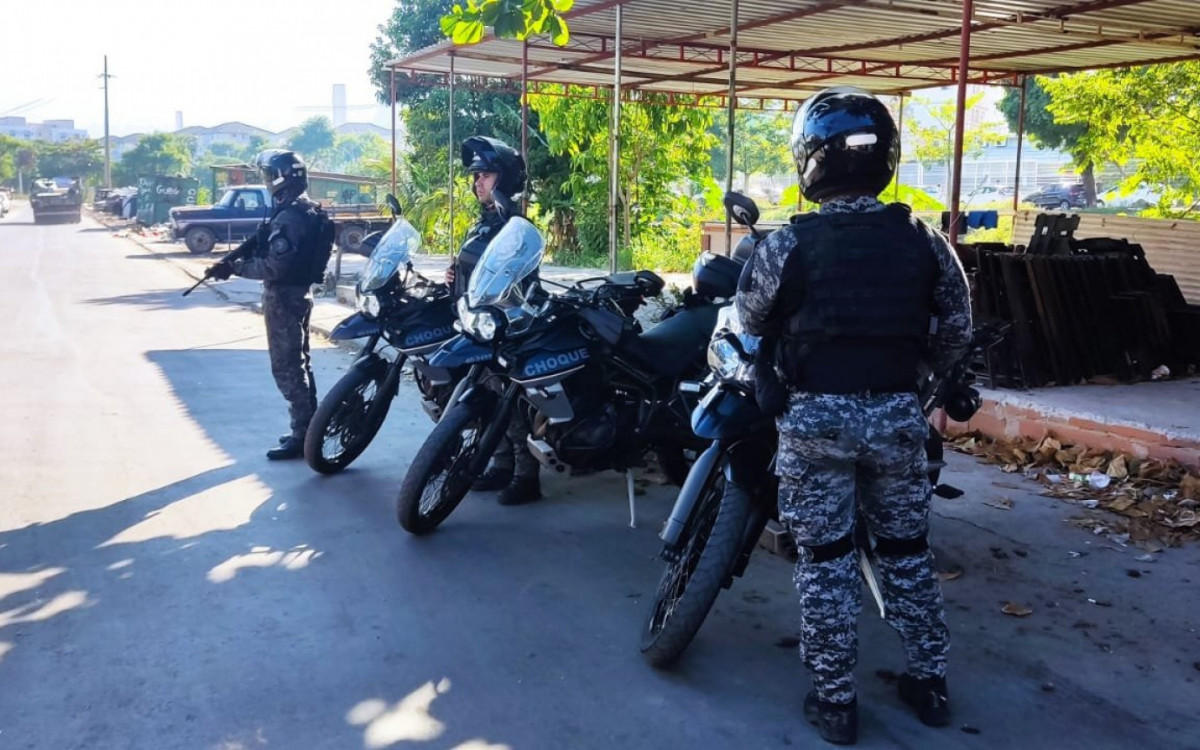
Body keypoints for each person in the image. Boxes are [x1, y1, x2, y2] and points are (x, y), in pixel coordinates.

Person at [735, 87, 973, 746]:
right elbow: (957, 329)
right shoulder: (925, 240)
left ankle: (836, 702)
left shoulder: (790, 244)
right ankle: (930, 684)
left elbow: (750, 316)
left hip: (815, 423)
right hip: (898, 419)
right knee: (904, 553)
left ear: (811, 160)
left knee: (826, 560)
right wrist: (918, 382)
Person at [207, 150, 335, 460]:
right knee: (301, 362)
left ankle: (303, 434)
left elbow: (273, 267)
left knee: (287, 368)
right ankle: (309, 429)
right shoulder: (306, 210)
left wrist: (233, 269)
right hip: (300, 294)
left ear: (280, 180)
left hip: (284, 297)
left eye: (268, 177)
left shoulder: (290, 217)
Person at [446, 135, 543, 506]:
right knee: (486, 399)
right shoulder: (483, 222)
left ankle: (525, 476)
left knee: (512, 405)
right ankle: (500, 464)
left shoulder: (516, 225)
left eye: (485, 175)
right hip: (477, 326)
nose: (477, 182)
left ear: (504, 178)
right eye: (475, 176)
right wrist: (454, 276)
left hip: (504, 326)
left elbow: (517, 278)